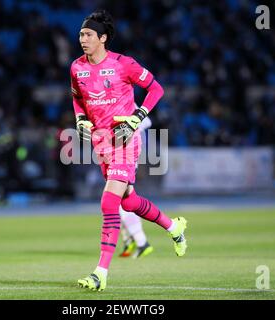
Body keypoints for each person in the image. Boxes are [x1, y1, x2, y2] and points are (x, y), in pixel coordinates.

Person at [70, 9, 188, 292]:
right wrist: (81, 120)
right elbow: (77, 99)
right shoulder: (76, 67)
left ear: (103, 38)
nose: (82, 39)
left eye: (88, 35)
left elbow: (156, 89)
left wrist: (137, 117)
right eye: (81, 34)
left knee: (108, 203)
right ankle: (174, 227)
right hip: (101, 142)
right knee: (128, 202)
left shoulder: (124, 64)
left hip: (125, 140)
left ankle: (100, 273)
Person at [119, 109, 153, 259]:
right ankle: (131, 239)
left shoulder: (124, 99)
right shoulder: (112, 98)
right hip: (118, 151)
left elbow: (146, 121)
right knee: (121, 198)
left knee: (121, 199)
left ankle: (139, 241)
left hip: (127, 151)